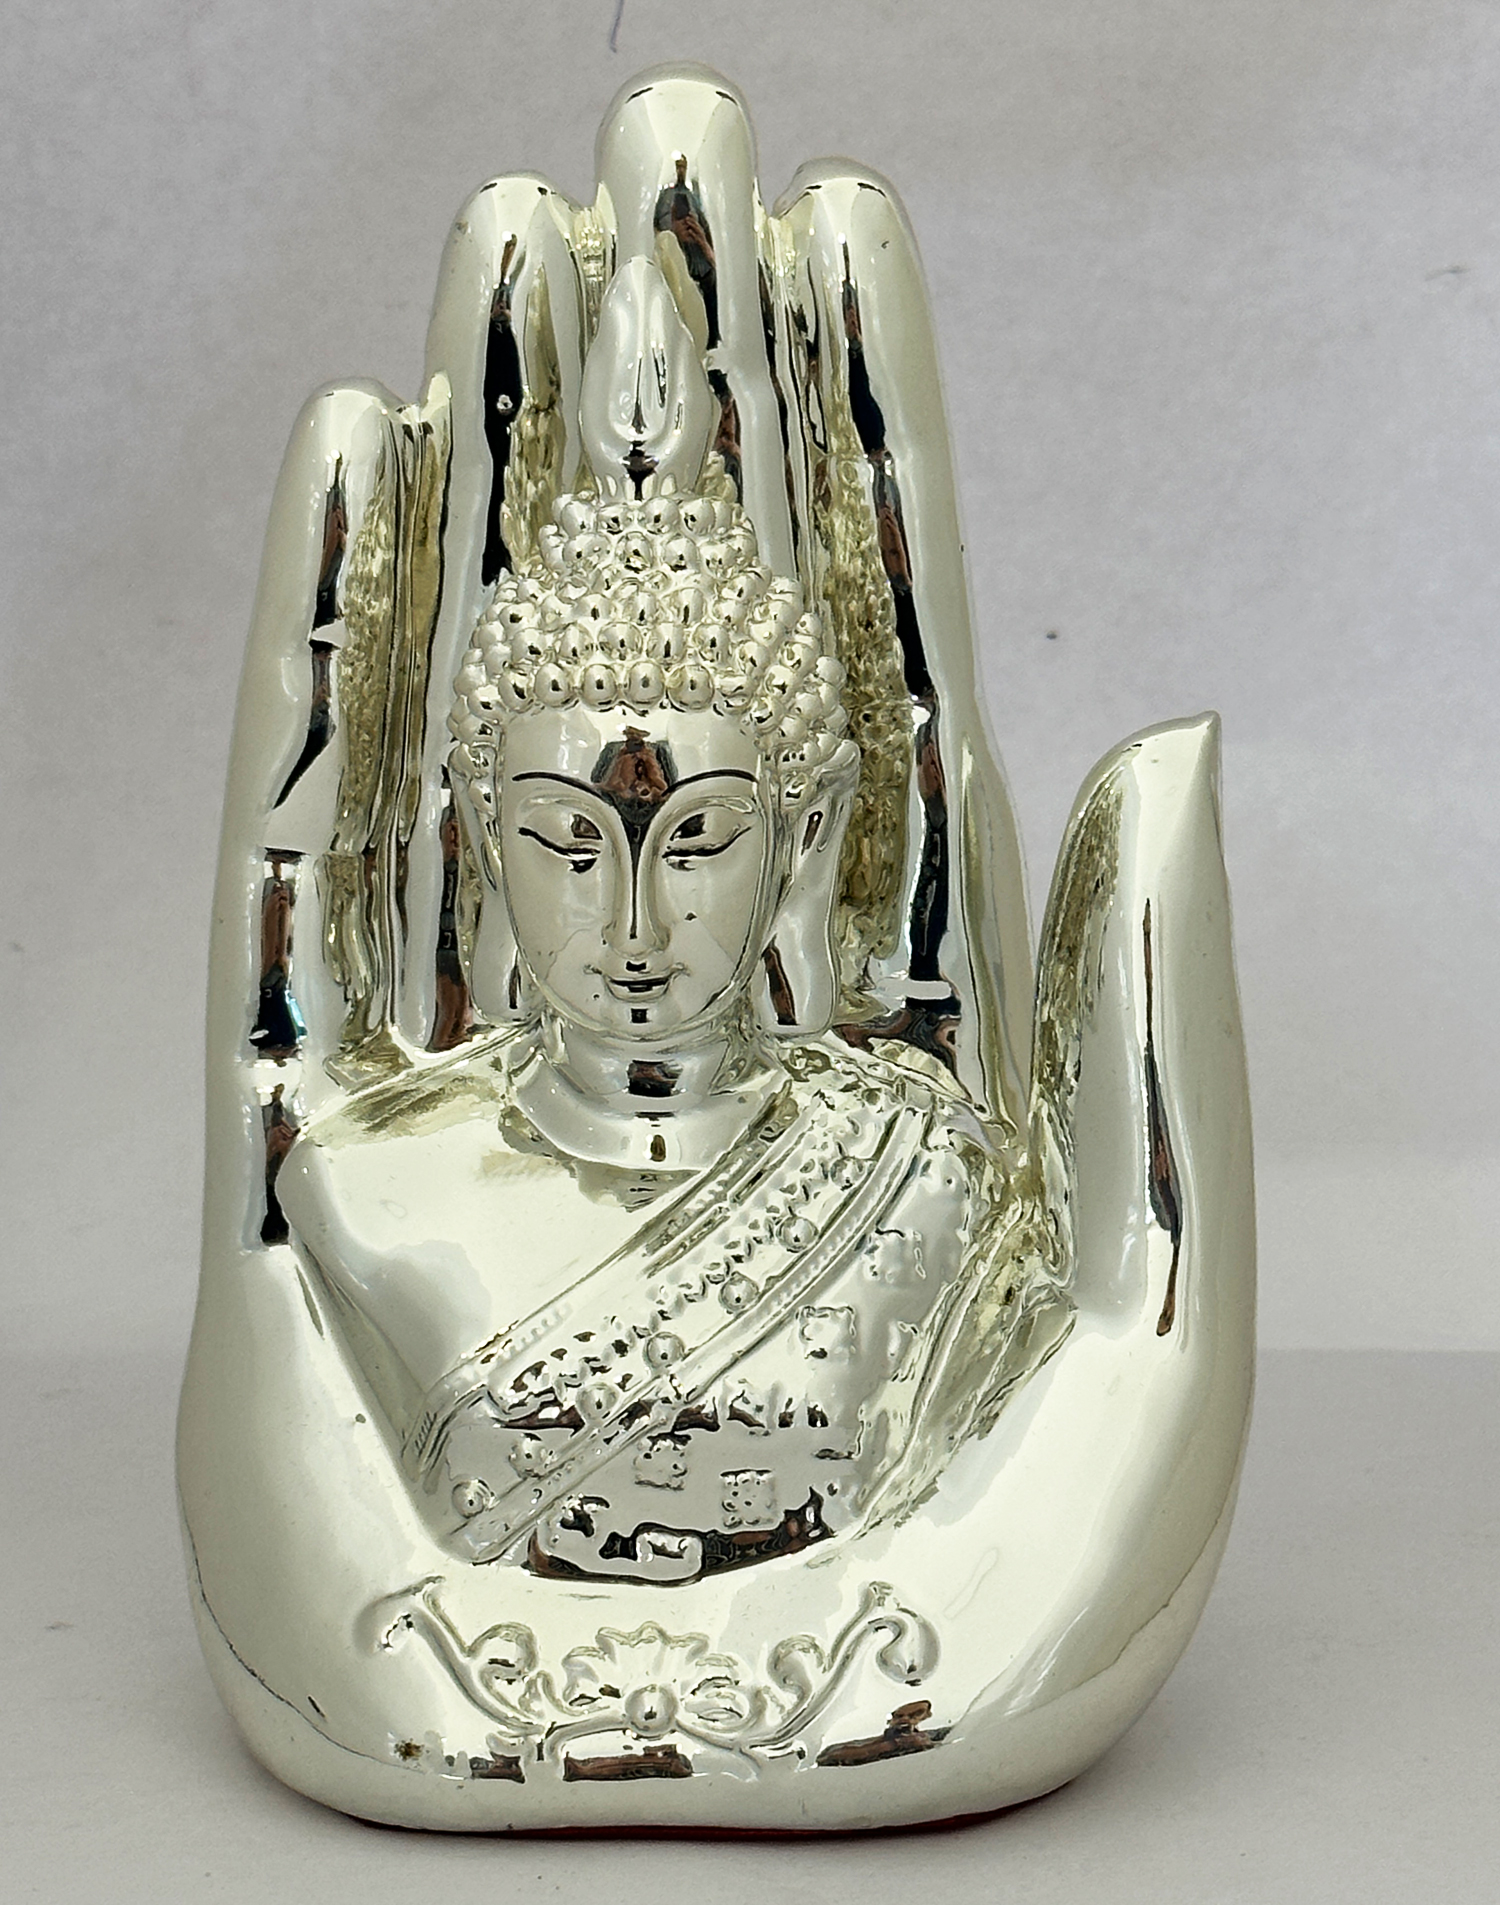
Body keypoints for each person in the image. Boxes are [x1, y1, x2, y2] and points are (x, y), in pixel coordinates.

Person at [279, 455, 1069, 1588]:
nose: (634, 922)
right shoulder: (365, 1181)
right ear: (486, 836)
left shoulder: (934, 1174)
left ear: (803, 836)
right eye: (569, 841)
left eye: (696, 839)